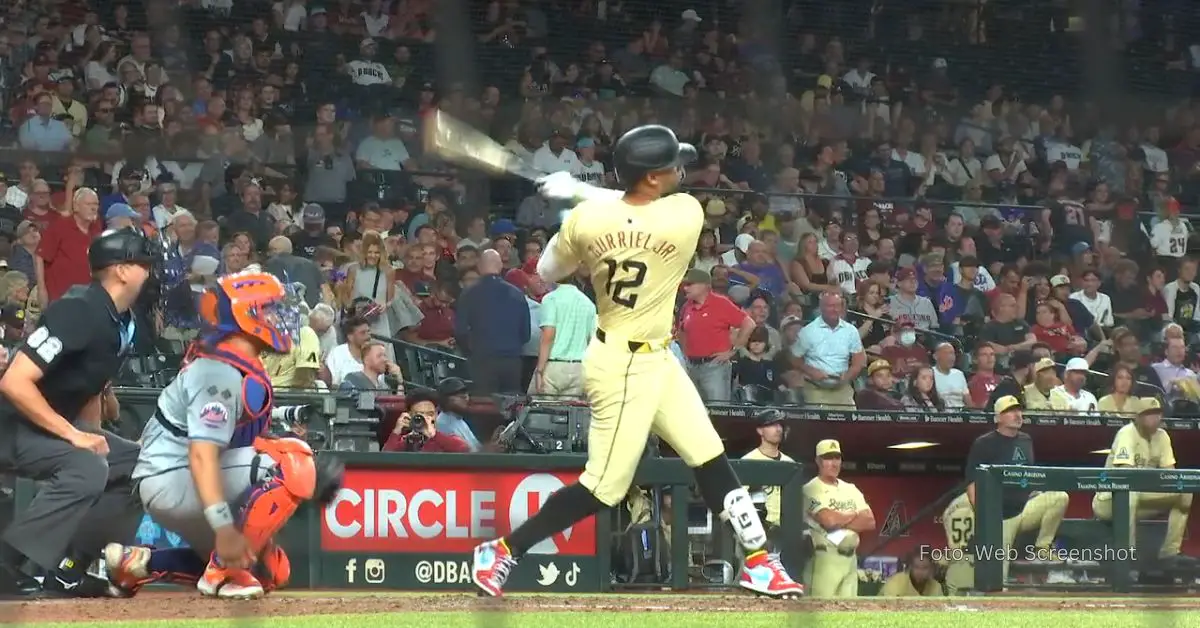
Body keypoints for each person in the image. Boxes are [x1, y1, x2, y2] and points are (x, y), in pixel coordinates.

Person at [469, 125, 803, 599]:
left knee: (708, 455)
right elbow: (634, 208)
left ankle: (757, 560)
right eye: (671, 165)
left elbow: (545, 272)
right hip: (622, 369)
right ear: (650, 178)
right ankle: (501, 551)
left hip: (655, 359)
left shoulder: (588, 219)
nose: (681, 170)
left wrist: (575, 198)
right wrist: (587, 194)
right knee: (603, 488)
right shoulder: (685, 215)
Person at [102, 272, 343, 599]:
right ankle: (223, 570)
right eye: (271, 310)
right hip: (171, 476)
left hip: (178, 476)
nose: (282, 318)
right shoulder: (218, 371)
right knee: (292, 460)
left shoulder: (237, 362)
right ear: (248, 316)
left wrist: (287, 417)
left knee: (271, 572)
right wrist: (223, 527)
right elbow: (201, 453)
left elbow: (234, 428)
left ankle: (137, 564)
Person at [0, 228, 155, 597]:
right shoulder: (78, 309)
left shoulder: (121, 319)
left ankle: (69, 568)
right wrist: (75, 437)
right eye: (143, 264)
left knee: (142, 463)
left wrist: (94, 435)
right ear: (120, 269)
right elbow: (14, 383)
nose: (149, 272)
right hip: (11, 422)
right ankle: (6, 563)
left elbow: (91, 388)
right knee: (85, 465)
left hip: (46, 426)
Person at [963, 396, 1070, 581]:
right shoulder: (984, 443)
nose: (1017, 414)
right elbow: (972, 483)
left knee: (1060, 497)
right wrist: (983, 517)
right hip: (1000, 517)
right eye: (1010, 411)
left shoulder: (1026, 440)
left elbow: (1029, 475)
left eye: (1019, 410)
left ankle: (1042, 548)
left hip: (1025, 508)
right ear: (998, 417)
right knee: (998, 574)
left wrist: (1035, 491)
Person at [1091, 398, 1196, 568]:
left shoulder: (1162, 436)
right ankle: (1127, 556)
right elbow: (1126, 477)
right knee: (1130, 493)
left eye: (1157, 413)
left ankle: (1170, 552)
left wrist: (1167, 482)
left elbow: (1171, 476)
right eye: (1149, 414)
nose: (1155, 418)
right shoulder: (1127, 433)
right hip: (1109, 501)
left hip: (1141, 498)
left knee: (1184, 491)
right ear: (1137, 417)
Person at [801, 439, 876, 598]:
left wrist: (839, 519)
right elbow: (829, 521)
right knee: (822, 611)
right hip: (824, 558)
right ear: (818, 461)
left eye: (837, 458)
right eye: (828, 458)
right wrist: (854, 514)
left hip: (850, 559)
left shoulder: (850, 488)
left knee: (849, 613)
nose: (834, 463)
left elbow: (869, 521)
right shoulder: (809, 489)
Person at [879, 550, 944, 597]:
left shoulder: (936, 587)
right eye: (916, 567)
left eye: (925, 568)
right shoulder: (896, 582)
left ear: (931, 569)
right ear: (910, 567)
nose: (920, 572)